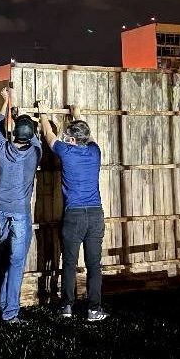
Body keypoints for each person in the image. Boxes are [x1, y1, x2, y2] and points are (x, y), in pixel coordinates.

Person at [37, 101, 108, 322]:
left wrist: (43, 113)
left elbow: (48, 134)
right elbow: (89, 136)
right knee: (94, 265)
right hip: (95, 214)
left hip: (74, 215)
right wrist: (76, 115)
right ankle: (93, 309)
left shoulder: (66, 152)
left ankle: (67, 306)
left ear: (73, 139)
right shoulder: (95, 151)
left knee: (68, 263)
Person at [0, 87, 42, 323]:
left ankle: (1, 302)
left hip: (1, 210)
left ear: (13, 135)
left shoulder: (1, 149)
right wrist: (37, 114)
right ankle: (11, 312)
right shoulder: (34, 153)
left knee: (3, 257)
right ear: (31, 134)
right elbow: (35, 136)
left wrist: (8, 102)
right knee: (17, 261)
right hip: (20, 214)